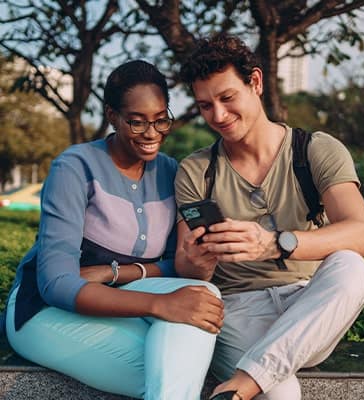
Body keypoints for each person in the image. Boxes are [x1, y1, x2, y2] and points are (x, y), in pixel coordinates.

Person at [1, 60, 224, 400]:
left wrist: (112, 272)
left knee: (200, 298)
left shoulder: (170, 171)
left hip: (121, 299)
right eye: (136, 123)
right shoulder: (74, 168)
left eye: (161, 119)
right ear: (112, 116)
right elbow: (56, 284)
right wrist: (158, 305)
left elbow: (176, 267)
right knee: (173, 371)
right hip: (43, 313)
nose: (151, 134)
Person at [174, 34, 364, 400]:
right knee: (280, 394)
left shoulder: (315, 150)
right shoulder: (196, 170)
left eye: (227, 98)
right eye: (205, 106)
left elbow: (362, 235)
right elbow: (188, 272)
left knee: (353, 267)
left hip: (310, 306)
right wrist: (198, 262)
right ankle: (254, 382)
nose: (217, 116)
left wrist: (273, 243)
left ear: (256, 82)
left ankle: (243, 386)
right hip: (237, 311)